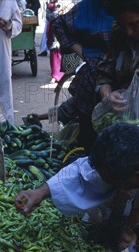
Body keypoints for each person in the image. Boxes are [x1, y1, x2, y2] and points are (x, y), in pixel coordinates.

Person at [15, 116, 139, 252]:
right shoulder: (136, 145)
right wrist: (41, 192)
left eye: (113, 182)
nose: (107, 184)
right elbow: (90, 171)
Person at [32, 0, 114, 148]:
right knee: (88, 142)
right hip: (91, 79)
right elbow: (71, 107)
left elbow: (69, 109)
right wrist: (82, 51)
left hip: (116, 85)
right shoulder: (88, 7)